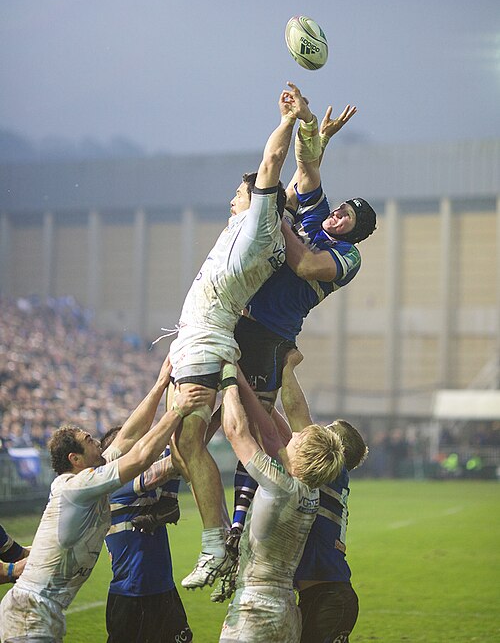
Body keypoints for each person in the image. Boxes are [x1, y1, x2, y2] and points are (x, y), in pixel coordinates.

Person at [168, 83, 315, 589]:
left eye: (239, 192)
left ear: (254, 200)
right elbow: (293, 182)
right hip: (199, 332)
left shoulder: (257, 226)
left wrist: (289, 118)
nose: (233, 197)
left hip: (207, 332)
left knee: (189, 443)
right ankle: (214, 531)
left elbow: (274, 162)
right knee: (181, 446)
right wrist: (315, 141)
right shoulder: (267, 228)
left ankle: (215, 545)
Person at [228, 97, 376, 540]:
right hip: (240, 312)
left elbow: (308, 267)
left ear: (356, 232)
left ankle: (239, 525)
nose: (337, 213)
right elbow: (306, 170)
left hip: (270, 336)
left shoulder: (347, 257)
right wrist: (311, 129)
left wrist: (280, 223)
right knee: (199, 406)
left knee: (254, 425)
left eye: (347, 216)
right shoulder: (314, 213)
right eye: (341, 207)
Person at [0, 357, 210, 643]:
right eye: (88, 440)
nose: (97, 442)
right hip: (30, 613)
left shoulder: (88, 480)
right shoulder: (77, 485)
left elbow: (128, 436)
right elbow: (140, 456)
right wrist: (176, 410)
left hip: (42, 612)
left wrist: (161, 383)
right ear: (75, 459)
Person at [218, 362, 344, 643]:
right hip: (287, 610)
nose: (294, 435)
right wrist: (246, 383)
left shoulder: (280, 485)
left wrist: (228, 379)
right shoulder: (310, 491)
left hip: (255, 608)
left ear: (301, 456)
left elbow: (236, 432)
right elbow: (272, 433)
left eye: (299, 438)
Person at [281, 351, 368, 643]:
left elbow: (296, 416)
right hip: (326, 596)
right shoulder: (333, 476)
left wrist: (287, 367)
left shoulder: (332, 468)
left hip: (329, 599)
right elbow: (290, 431)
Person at [100, 429, 191, 643]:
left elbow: (183, 451)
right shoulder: (117, 487)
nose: (142, 448)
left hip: (163, 589)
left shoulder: (143, 489)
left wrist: (211, 417)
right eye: (134, 445)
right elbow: (177, 459)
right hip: (133, 597)